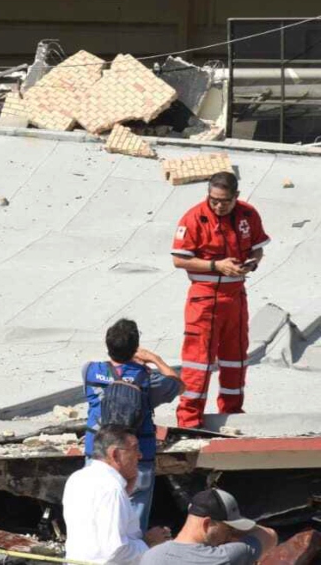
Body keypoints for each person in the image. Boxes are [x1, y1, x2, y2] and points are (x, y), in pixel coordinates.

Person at [171, 172, 269, 428]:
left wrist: (252, 263)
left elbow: (258, 248)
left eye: (224, 201)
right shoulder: (194, 218)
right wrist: (216, 265)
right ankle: (189, 420)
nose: (218, 205)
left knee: (235, 359)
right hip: (204, 299)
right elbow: (179, 259)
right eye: (213, 199)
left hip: (236, 298)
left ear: (236, 196)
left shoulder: (248, 215)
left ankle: (232, 414)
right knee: (198, 362)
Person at [83, 319, 180, 531]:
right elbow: (178, 384)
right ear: (135, 347)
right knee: (133, 527)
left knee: (95, 520)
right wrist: (155, 359)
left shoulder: (90, 371)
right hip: (137, 457)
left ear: (108, 345)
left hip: (97, 454)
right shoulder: (146, 378)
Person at [63, 425, 171, 565]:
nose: (140, 455)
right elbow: (114, 551)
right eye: (135, 449)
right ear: (115, 454)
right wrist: (148, 542)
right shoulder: (111, 489)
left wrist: (126, 489)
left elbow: (96, 525)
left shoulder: (78, 478)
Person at [141, 489, 277, 565]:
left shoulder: (150, 557)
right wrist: (239, 532)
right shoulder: (225, 557)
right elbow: (270, 535)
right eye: (228, 529)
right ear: (207, 524)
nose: (229, 536)